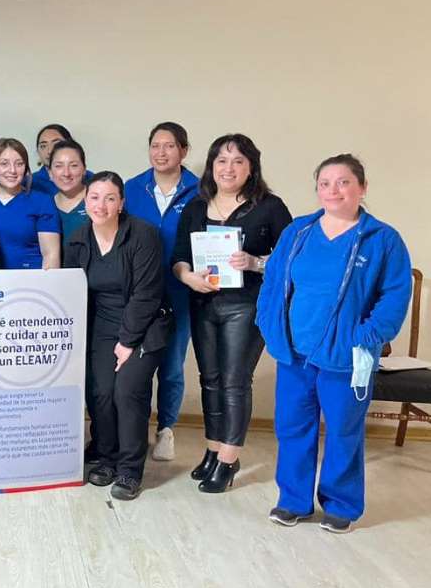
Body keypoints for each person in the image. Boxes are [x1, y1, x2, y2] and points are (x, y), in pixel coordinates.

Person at [257, 154, 411, 534]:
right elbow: (273, 281)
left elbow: (395, 295)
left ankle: (341, 505)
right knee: (293, 428)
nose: (333, 190)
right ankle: (293, 500)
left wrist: (366, 336)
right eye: (325, 183)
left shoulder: (382, 239)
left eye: (343, 182)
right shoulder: (298, 231)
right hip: (294, 353)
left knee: (344, 431)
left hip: (347, 357)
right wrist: (268, 324)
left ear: (362, 187)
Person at [172, 133, 292, 493]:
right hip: (204, 303)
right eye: (221, 161)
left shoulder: (270, 207)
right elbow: (179, 256)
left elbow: (290, 260)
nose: (229, 168)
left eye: (238, 161)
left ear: (251, 167)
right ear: (211, 166)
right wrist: (187, 276)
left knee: (235, 381)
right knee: (209, 379)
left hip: (246, 304)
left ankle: (228, 459)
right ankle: (212, 449)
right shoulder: (196, 207)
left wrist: (256, 262)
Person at [64, 172, 172, 501]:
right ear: (85, 202)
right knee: (100, 392)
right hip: (100, 326)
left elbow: (146, 294)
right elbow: (71, 291)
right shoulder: (78, 240)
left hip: (144, 325)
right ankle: (107, 457)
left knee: (127, 390)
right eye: (95, 197)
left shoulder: (143, 235)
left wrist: (127, 342)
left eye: (110, 198)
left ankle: (129, 470)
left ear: (121, 203)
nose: (102, 205)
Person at [123, 122, 201, 462]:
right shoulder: (132, 188)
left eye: (169, 146)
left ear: (183, 150)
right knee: (136, 367)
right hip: (137, 293)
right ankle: (134, 430)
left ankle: (166, 429)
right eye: (155, 145)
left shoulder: (200, 190)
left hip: (180, 292)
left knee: (171, 366)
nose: (161, 152)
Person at [0, 137, 61, 269]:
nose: (12, 170)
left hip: (32, 278)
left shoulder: (41, 202)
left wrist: (48, 282)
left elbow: (50, 255)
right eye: (4, 164)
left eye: (19, 164)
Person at [50, 140, 90, 243]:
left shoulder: (97, 202)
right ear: (50, 173)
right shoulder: (46, 206)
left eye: (74, 165)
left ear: (84, 169)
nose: (66, 173)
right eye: (59, 166)